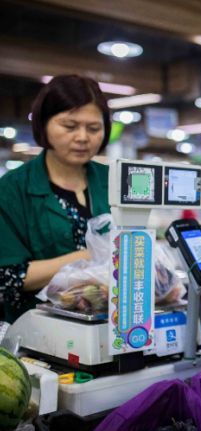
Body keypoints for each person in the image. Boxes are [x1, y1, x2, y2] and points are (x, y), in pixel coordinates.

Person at [0, 75, 111, 323]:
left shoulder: (113, 180)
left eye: (93, 128)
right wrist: (89, 256)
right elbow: (8, 276)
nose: (83, 137)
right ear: (44, 124)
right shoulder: (11, 190)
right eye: (69, 126)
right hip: (37, 332)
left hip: (112, 323)